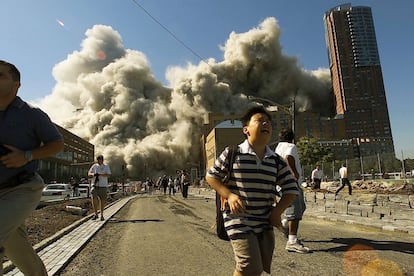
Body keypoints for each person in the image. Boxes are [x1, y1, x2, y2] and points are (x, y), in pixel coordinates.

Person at [206, 106, 298, 276]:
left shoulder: (276, 161)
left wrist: (278, 212)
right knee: (250, 265)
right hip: (238, 219)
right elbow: (211, 176)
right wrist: (230, 195)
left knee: (254, 269)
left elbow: (291, 189)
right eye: (259, 120)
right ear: (246, 130)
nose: (266, 124)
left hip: (264, 221)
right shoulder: (232, 153)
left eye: (268, 122)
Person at [0, 60, 64, 275]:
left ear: (16, 83)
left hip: (21, 188)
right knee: (18, 250)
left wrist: (27, 156)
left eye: (0, 76)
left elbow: (57, 144)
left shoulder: (32, 114)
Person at [275, 128, 310, 254]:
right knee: (295, 211)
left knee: (301, 207)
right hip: (290, 182)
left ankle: (285, 224)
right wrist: (294, 173)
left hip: (282, 182)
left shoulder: (278, 147)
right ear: (292, 138)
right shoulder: (291, 146)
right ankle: (292, 241)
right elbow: (288, 157)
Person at [88, 155, 111, 221]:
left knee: (102, 200)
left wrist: (100, 174)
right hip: (94, 185)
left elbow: (108, 174)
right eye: (98, 159)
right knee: (93, 197)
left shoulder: (106, 166)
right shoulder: (94, 166)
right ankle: (95, 214)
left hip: (103, 185)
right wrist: (93, 174)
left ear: (102, 160)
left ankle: (102, 214)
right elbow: (89, 173)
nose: (99, 161)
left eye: (100, 159)